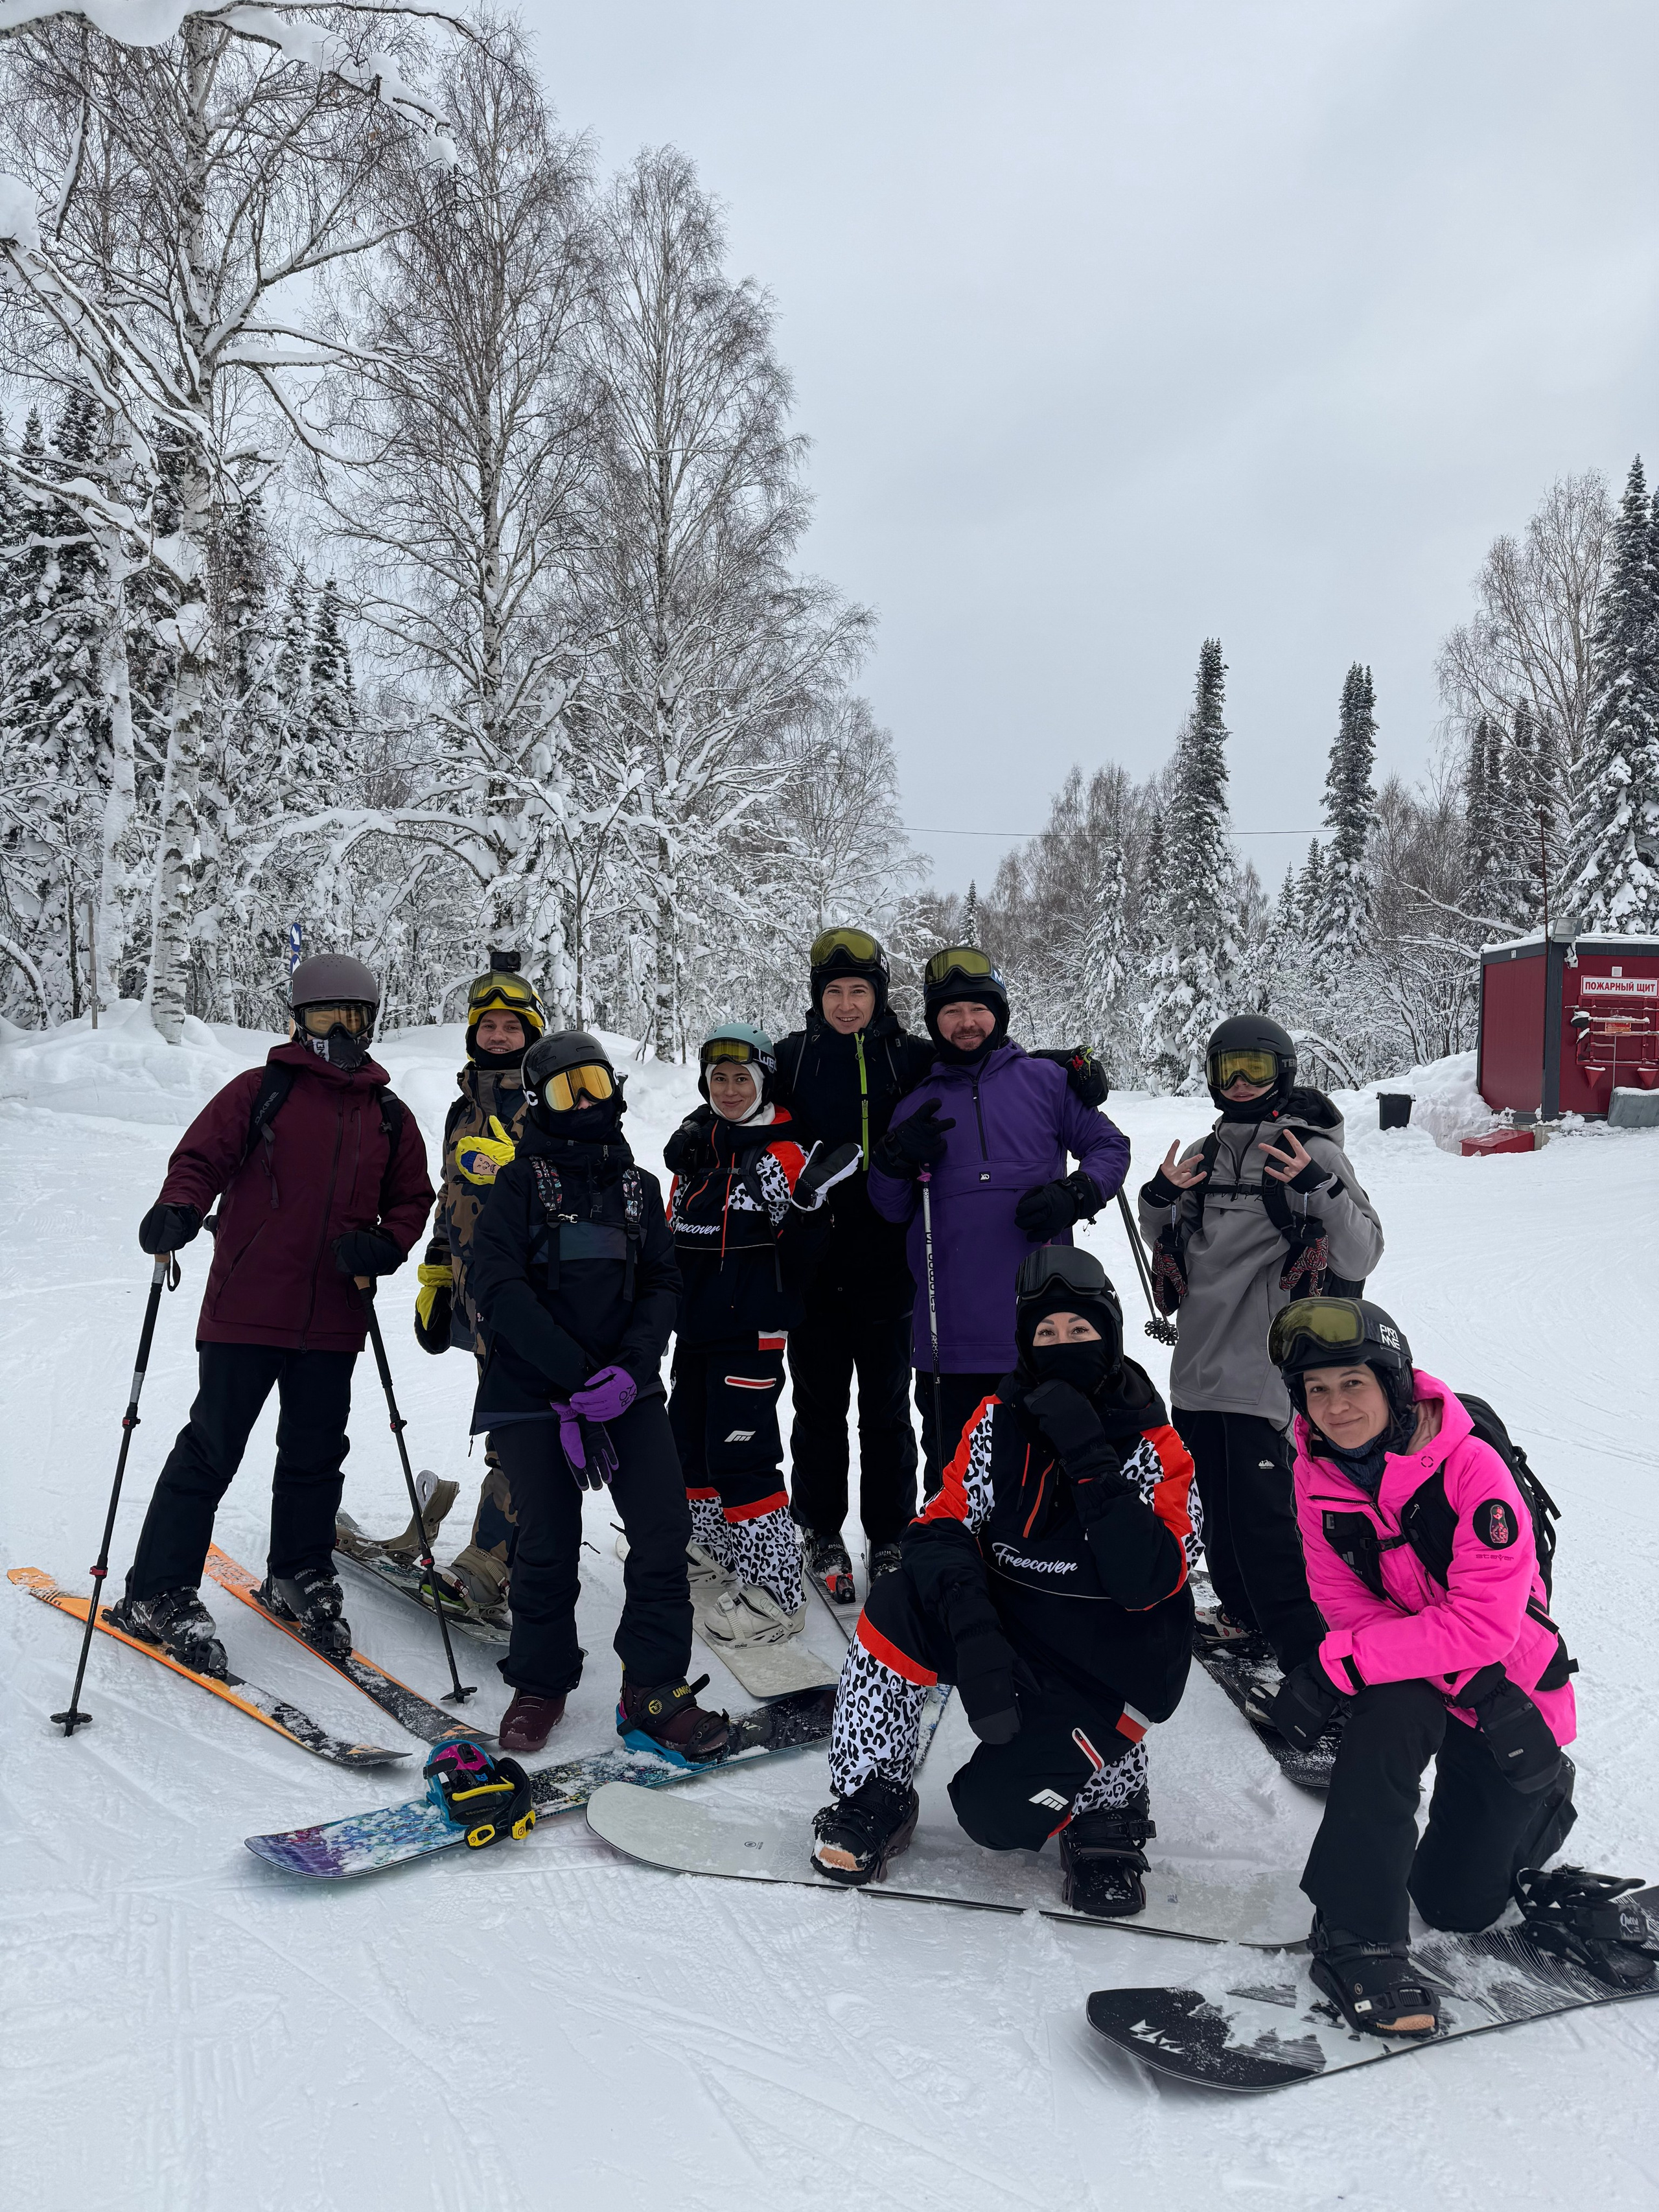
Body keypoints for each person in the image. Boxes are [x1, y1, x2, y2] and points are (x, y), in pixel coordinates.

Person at [1262, 1297, 1653, 2036]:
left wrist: (1349, 1665)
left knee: (1455, 1903)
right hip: (1435, 1673)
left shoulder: (1471, 1466)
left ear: (1392, 1383)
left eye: (1352, 1383)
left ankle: (1535, 1808)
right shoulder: (1314, 1475)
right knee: (1386, 1712)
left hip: (1506, 1681)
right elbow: (1342, 1604)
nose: (1335, 1406)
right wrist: (1374, 1659)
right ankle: (1355, 1936)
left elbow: (1484, 1623)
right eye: (1316, 1390)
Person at [809, 1247, 1200, 1915]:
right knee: (901, 1598)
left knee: (992, 1817)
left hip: (1102, 1654)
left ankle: (1106, 1809)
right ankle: (874, 1790)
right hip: (1007, 1620)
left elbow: (1147, 1579)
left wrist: (1086, 1453)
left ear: (1108, 1331)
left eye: (1079, 1330)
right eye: (1045, 1333)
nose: (1062, 1344)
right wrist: (975, 1632)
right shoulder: (998, 1419)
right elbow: (940, 1525)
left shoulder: (1156, 1445)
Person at [113, 955, 434, 1673]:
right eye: (326, 1016)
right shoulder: (262, 1091)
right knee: (211, 1449)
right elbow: (201, 1159)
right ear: (299, 1017)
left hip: (333, 1315)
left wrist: (384, 1243)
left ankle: (299, 1570)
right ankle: (157, 1590)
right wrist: (179, 1207)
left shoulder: (388, 1113)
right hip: (247, 1306)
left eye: (354, 1017)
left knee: (316, 1454)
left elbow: (413, 1198)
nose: (341, 1031)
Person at [467, 1027, 728, 1762]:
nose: (582, 1101)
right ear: (539, 1103)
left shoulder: (640, 1187)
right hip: (533, 1392)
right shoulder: (517, 1184)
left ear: (614, 1090)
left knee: (661, 1528)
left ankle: (652, 1687)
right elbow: (499, 1287)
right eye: (563, 1089)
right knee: (545, 1538)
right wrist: (576, 1378)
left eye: (593, 1084)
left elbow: (662, 1282)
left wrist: (627, 1369)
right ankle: (540, 1679)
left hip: (626, 1389)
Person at [1137, 1012, 1383, 1695]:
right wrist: (1156, 1200)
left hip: (1266, 1371)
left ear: (1284, 1071)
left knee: (1269, 1523)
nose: (1241, 1083)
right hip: (1196, 1370)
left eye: (1256, 1068)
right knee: (1219, 1505)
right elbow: (1166, 1246)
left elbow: (1362, 1251)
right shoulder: (1207, 1154)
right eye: (1227, 1069)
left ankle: (1311, 1666)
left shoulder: (1313, 1153)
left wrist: (1320, 1190)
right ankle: (1244, 1617)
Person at [867, 945, 1130, 1492]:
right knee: (958, 1481)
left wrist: (1077, 1192)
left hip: (1044, 1331)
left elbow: (1110, 1147)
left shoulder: (1047, 1082)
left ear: (1000, 1011)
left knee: (1052, 1476)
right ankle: (955, 1576)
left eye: (979, 1008)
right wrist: (893, 1159)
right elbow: (890, 1206)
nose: (966, 1022)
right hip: (949, 1339)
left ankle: (1047, 1576)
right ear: (934, 1021)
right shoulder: (917, 1102)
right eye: (951, 1011)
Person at [665, 1024, 861, 1651]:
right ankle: (716, 1548)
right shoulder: (698, 1147)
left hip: (749, 1334)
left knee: (742, 1459)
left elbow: (807, 1261)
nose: (727, 1089)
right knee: (689, 1444)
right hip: (695, 1329)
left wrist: (807, 1205)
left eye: (740, 1078)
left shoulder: (780, 1155)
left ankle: (776, 1592)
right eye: (718, 1078)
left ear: (763, 1083)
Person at [771, 928, 935, 1599]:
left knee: (888, 1408)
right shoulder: (791, 1056)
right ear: (817, 996)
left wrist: (1066, 1068)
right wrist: (701, 1131)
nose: (845, 1004)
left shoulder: (911, 1057)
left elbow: (990, 1067)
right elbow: (737, 1100)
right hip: (812, 1261)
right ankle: (817, 1524)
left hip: (889, 1260)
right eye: (833, 991)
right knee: (817, 1406)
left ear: (878, 994)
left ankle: (891, 1529)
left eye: (858, 991)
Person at [408, 949, 546, 1623]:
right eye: (487, 1026)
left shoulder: (550, 1103)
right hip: (475, 1291)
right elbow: (449, 1197)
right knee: (503, 1414)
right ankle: (510, 1552)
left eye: (511, 1027)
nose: (498, 1035)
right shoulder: (462, 1108)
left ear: (532, 1034)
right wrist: (437, 1276)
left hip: (530, 1295)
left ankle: (492, 1560)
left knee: (518, 1426)